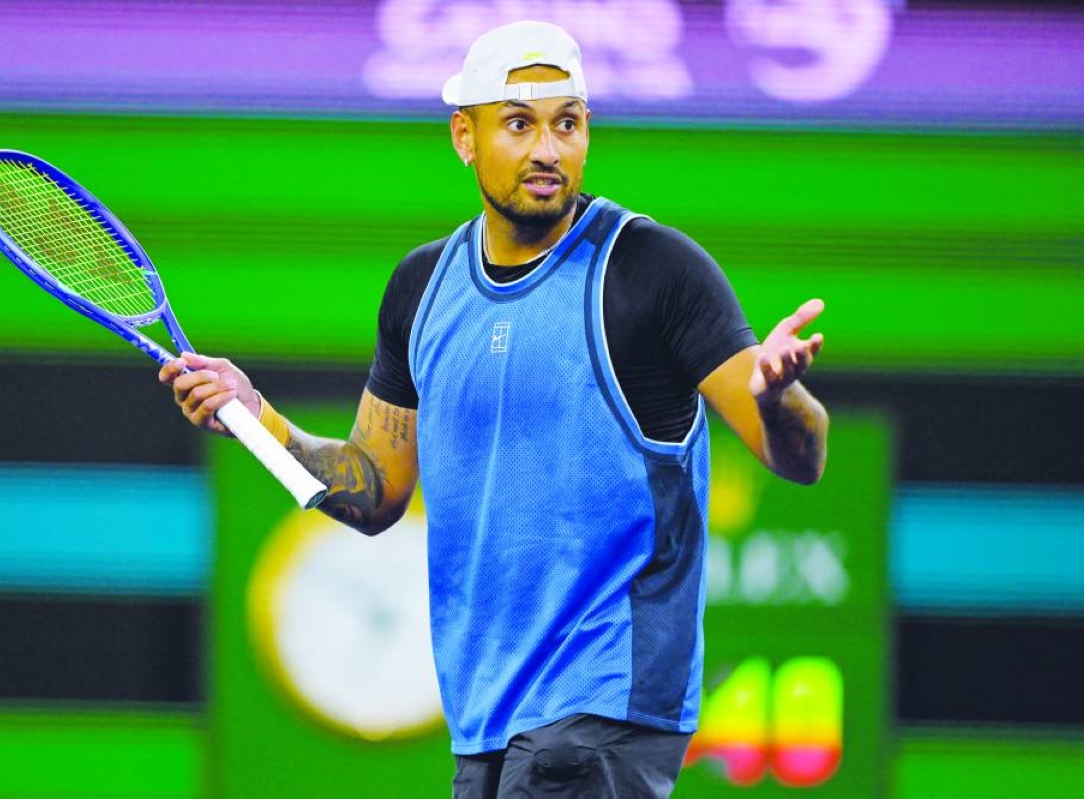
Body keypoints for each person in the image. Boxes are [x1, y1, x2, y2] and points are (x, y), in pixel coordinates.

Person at [160, 19, 828, 799]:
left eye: (567, 124)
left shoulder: (652, 270)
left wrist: (780, 395)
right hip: (487, 714)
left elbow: (801, 457)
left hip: (606, 697)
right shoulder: (422, 289)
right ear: (464, 137)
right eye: (519, 124)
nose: (548, 150)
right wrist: (255, 415)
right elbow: (375, 489)